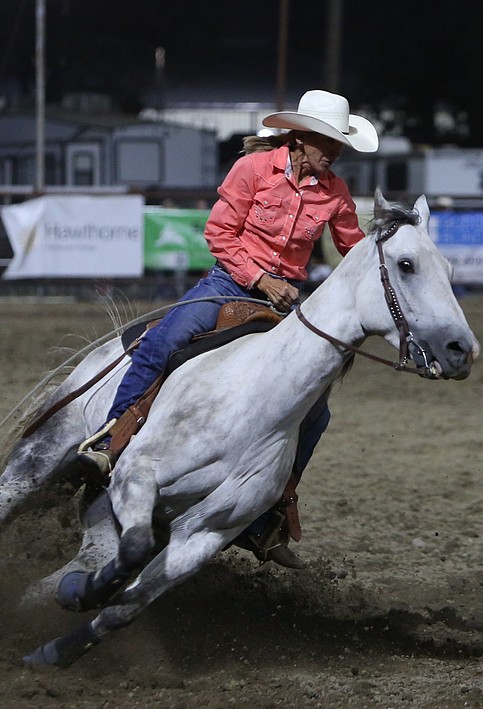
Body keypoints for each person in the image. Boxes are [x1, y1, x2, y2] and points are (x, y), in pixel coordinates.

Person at [77, 89, 379, 567]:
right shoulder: (253, 171)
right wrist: (262, 279)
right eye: (330, 142)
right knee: (165, 339)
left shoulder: (335, 193)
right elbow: (220, 233)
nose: (336, 152)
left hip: (284, 304)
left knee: (315, 412)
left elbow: (354, 251)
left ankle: (271, 514)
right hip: (230, 285)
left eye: (340, 143)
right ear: (302, 138)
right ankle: (110, 441)